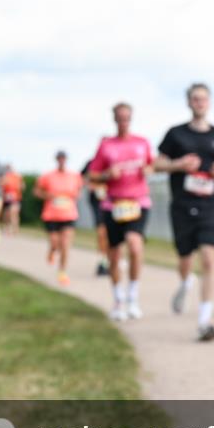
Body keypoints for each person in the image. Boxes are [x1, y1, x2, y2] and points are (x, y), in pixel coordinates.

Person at [154, 82, 214, 342]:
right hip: (183, 206)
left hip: (211, 205)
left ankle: (204, 320)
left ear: (209, 103)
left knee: (209, 258)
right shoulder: (176, 134)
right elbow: (157, 164)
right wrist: (178, 164)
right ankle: (186, 282)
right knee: (185, 258)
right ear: (188, 102)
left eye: (203, 99)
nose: (199, 103)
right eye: (195, 99)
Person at [88, 102, 155, 321]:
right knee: (114, 255)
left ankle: (133, 297)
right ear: (114, 119)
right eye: (120, 118)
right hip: (113, 204)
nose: (124, 121)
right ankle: (118, 299)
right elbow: (92, 175)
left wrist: (148, 169)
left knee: (135, 246)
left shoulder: (142, 143)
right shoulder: (106, 145)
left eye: (127, 117)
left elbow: (152, 165)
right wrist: (107, 174)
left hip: (138, 202)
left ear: (131, 118)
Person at [34, 150, 84, 286]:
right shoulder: (47, 176)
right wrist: (47, 196)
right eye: (59, 158)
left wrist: (75, 195)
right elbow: (37, 191)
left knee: (66, 244)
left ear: (66, 160)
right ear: (56, 160)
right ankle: (52, 250)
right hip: (51, 215)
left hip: (69, 214)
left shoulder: (74, 176)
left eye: (64, 158)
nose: (62, 161)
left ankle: (62, 272)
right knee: (55, 242)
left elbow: (79, 190)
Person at [81, 158, 111, 276]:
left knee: (113, 234)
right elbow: (82, 178)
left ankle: (111, 260)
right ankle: (103, 262)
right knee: (102, 233)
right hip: (98, 203)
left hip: (114, 201)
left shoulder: (114, 161)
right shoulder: (91, 163)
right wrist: (90, 184)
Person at [0, 165, 24, 235]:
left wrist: (18, 187)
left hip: (16, 198)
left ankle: (15, 229)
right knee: (6, 214)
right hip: (6, 198)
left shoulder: (17, 176)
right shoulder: (5, 176)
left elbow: (22, 186)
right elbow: (1, 185)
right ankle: (6, 228)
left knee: (14, 213)